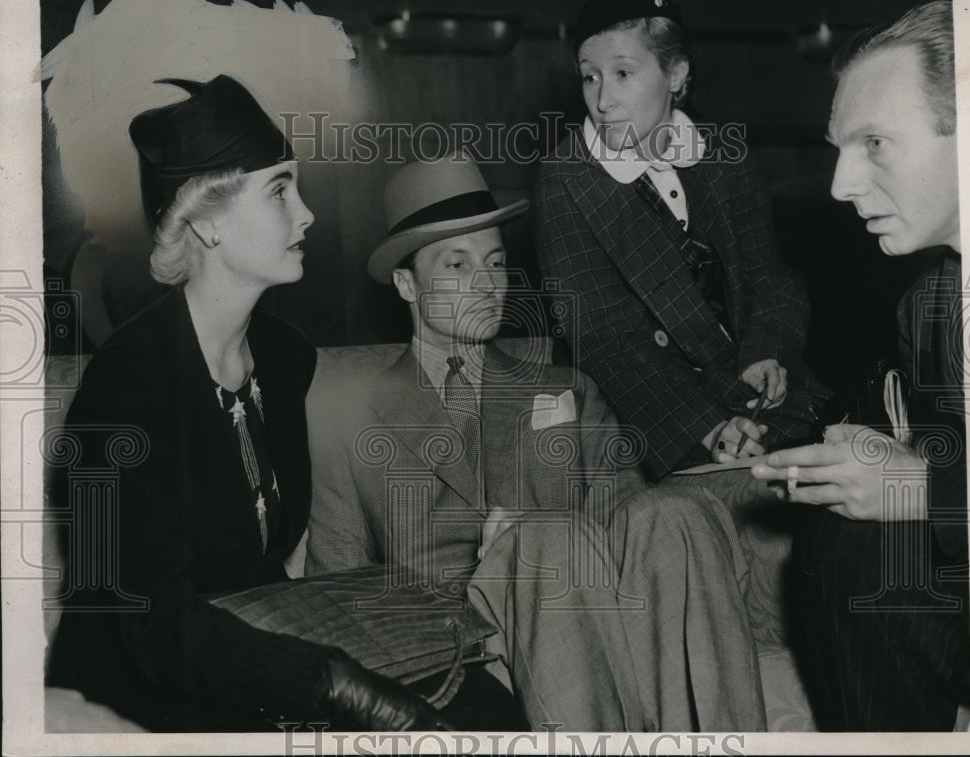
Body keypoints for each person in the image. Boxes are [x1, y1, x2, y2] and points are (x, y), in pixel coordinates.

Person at [45, 75, 452, 732]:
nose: (307, 214)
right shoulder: (123, 390)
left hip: (246, 652)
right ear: (206, 223)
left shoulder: (285, 357)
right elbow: (146, 623)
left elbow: (272, 569)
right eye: (279, 190)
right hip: (133, 687)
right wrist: (326, 682)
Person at [306, 156, 766, 731]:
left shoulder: (569, 388)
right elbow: (335, 594)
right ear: (407, 283)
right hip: (451, 648)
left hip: (589, 612)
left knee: (678, 512)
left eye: (496, 262)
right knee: (542, 539)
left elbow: (630, 530)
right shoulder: (348, 421)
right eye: (458, 263)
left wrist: (538, 525)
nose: (488, 282)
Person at [751, 1, 970, 731]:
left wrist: (929, 487)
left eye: (875, 142)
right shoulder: (929, 301)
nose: (842, 185)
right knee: (848, 540)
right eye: (840, 147)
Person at [534, 0, 826, 481]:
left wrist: (765, 359)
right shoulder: (565, 178)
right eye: (590, 77)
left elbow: (772, 281)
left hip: (758, 393)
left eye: (622, 73)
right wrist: (707, 428)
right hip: (655, 416)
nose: (603, 101)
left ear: (676, 73)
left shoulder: (725, 156)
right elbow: (603, 336)